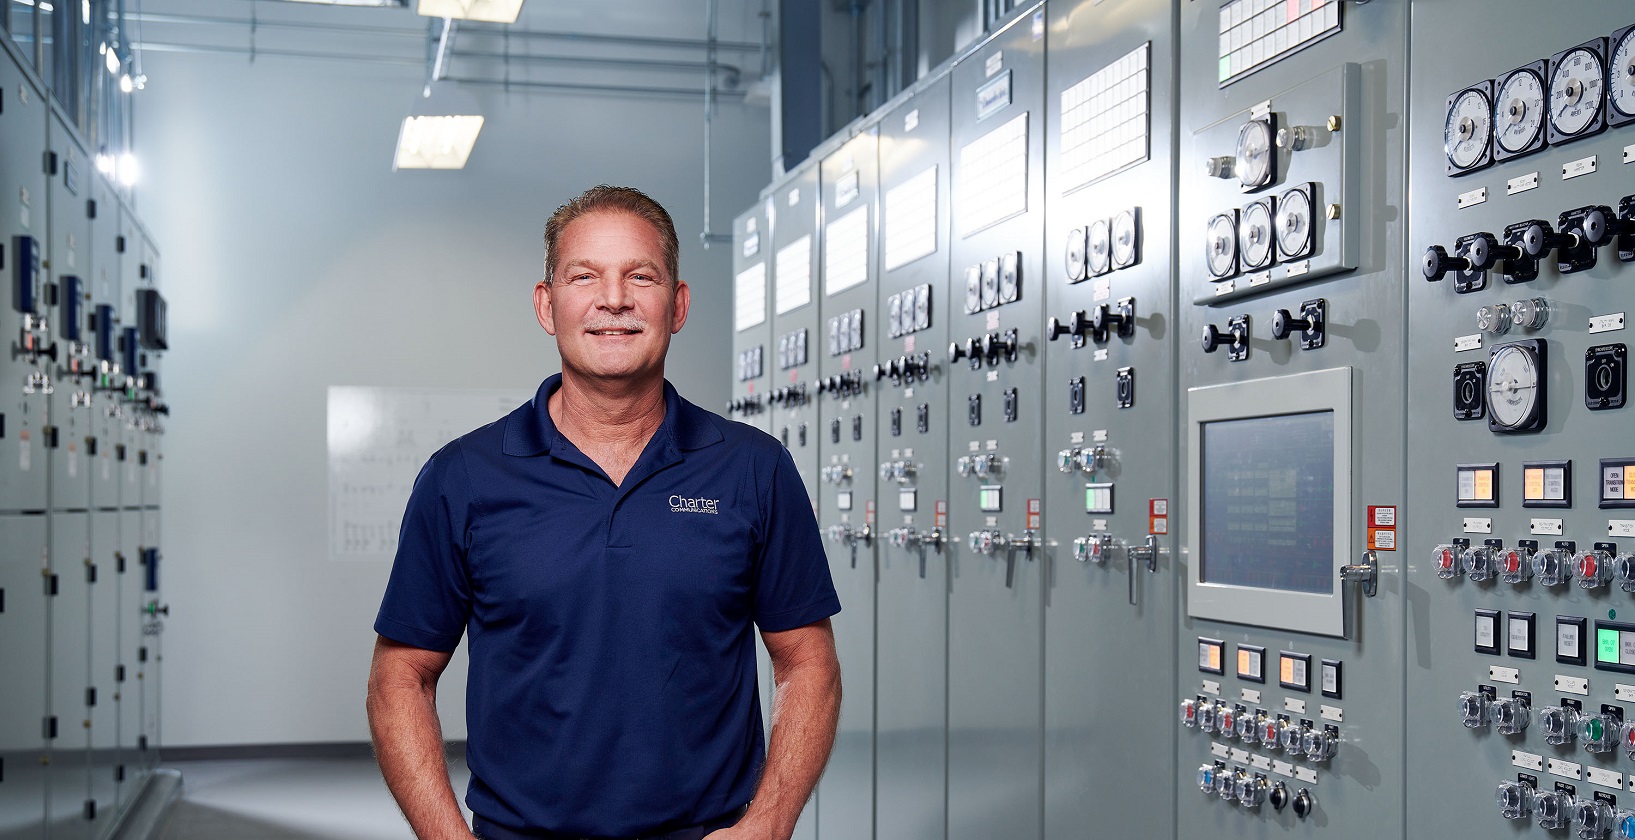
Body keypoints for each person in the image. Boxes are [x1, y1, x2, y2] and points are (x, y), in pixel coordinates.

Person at [366, 185, 842, 840]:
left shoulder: (753, 469)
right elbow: (401, 675)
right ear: (546, 303)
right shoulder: (464, 477)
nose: (612, 299)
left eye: (639, 276)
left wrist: (769, 821)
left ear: (675, 305)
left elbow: (805, 661)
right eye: (583, 276)